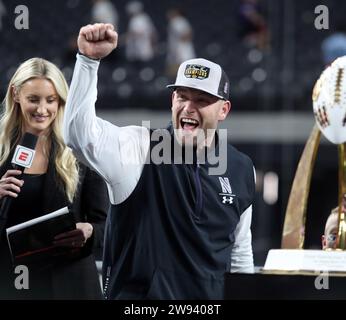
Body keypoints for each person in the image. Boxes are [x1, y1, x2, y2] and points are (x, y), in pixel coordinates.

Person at [64, 23, 256, 300]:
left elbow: (239, 252)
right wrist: (88, 62)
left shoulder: (240, 167)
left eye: (202, 100)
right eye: (182, 96)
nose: (188, 107)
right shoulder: (140, 147)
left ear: (223, 110)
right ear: (172, 100)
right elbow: (78, 136)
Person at [0, 57, 109, 299]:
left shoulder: (82, 150)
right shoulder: (1, 151)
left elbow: (109, 226)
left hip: (71, 286)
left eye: (51, 100)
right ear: (16, 94)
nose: (42, 109)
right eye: (33, 99)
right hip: (12, 285)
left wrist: (89, 231)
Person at [166, 8, 196, 78]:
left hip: (181, 51)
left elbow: (186, 35)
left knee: (180, 74)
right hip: (183, 50)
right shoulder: (182, 21)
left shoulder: (177, 21)